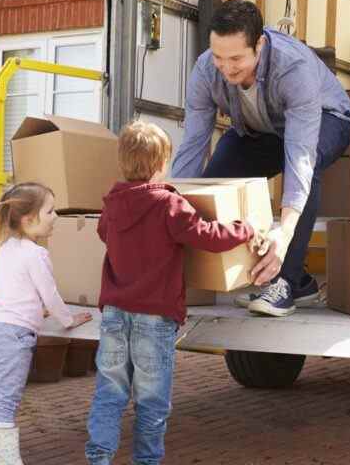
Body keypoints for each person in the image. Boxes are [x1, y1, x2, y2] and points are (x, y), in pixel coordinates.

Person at [85, 121, 260, 465]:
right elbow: (208, 236)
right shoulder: (168, 204)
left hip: (114, 314)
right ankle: (146, 461)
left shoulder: (113, 204)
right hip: (155, 315)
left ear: (122, 161)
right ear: (162, 162)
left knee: (109, 393)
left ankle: (98, 458)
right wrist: (248, 227)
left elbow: (104, 233)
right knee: (151, 401)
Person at [172, 0, 350, 317]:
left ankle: (284, 282)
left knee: (304, 169)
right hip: (263, 131)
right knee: (216, 176)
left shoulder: (292, 67)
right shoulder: (204, 69)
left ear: (259, 44)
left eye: (236, 59)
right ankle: (296, 281)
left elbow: (300, 157)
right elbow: (193, 144)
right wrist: (169, 205)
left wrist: (282, 233)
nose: (226, 68)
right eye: (218, 57)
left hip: (327, 120)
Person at [0, 182, 92, 465]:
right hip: (15, 337)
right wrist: (68, 319)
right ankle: (7, 461)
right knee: (7, 401)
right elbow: (50, 295)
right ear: (28, 219)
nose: (55, 217)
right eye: (50, 211)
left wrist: (36, 312)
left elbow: (15, 294)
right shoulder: (36, 254)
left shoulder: (3, 248)